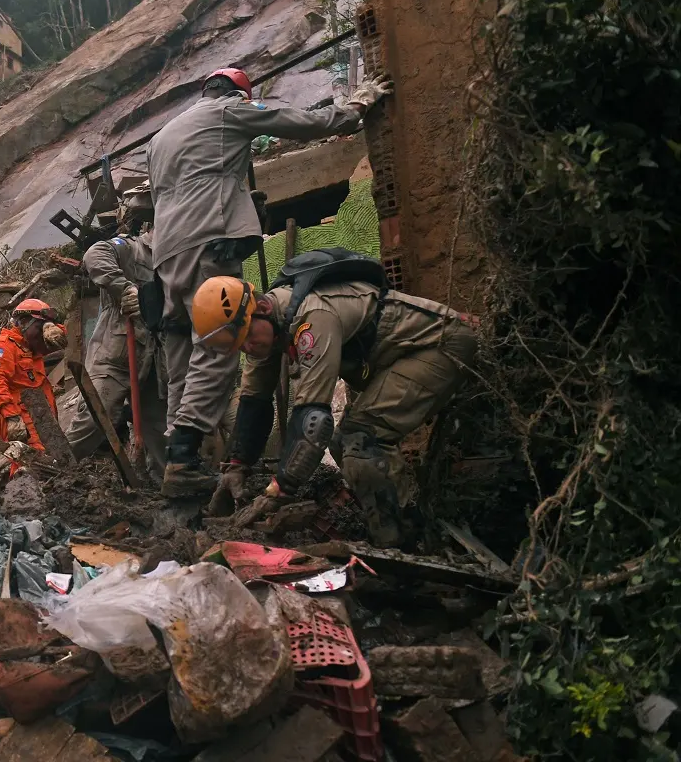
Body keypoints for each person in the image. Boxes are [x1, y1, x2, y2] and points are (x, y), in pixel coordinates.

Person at [146, 67, 393, 497]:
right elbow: (301, 123)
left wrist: (239, 197)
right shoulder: (230, 111)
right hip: (209, 241)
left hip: (167, 250)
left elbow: (190, 185)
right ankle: (186, 459)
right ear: (239, 94)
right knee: (222, 342)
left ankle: (176, 452)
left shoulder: (162, 136)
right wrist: (355, 106)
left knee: (183, 346)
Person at [191, 272, 477, 546]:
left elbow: (313, 421)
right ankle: (400, 521)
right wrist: (236, 467)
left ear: (262, 307)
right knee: (345, 444)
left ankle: (404, 540)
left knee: (361, 439)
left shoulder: (311, 317)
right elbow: (253, 401)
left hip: (438, 344)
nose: (249, 348)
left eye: (247, 338)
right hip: (400, 355)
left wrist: (279, 490)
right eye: (239, 347)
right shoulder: (266, 327)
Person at [64, 233, 168, 478]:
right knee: (95, 419)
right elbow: (94, 255)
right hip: (114, 357)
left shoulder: (173, 260)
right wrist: (126, 289)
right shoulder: (131, 248)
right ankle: (54, 474)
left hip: (152, 362)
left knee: (158, 429)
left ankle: (165, 488)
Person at [0, 299, 67, 452]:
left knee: (52, 461)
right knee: (30, 464)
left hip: (43, 417)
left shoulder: (32, 344)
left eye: (46, 327)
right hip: (22, 420)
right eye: (40, 327)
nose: (43, 333)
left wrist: (54, 329)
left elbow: (61, 339)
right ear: (23, 322)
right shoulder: (3, 347)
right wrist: (12, 419)